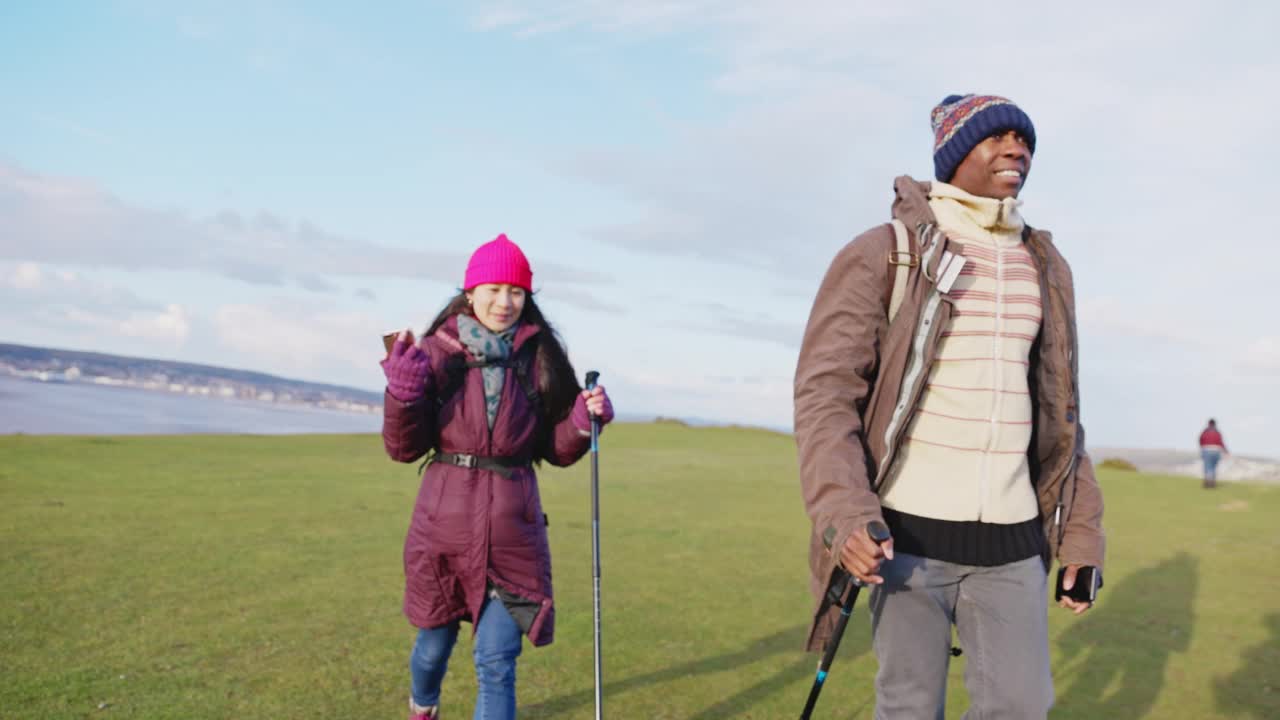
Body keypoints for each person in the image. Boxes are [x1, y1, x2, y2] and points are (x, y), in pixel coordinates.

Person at [794, 94, 1106, 718]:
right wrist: (845, 514)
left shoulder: (1044, 265)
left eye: (1024, 141)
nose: (1016, 149)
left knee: (1022, 707)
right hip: (905, 539)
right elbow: (825, 396)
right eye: (998, 138)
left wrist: (1082, 538)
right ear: (956, 152)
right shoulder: (885, 250)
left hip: (1014, 544)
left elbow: (1060, 415)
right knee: (910, 707)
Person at [380, 233, 614, 720]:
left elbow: (554, 448)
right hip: (442, 532)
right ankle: (423, 706)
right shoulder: (435, 353)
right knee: (431, 649)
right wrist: (402, 397)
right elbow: (403, 450)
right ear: (471, 292)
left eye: (516, 292)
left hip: (514, 537)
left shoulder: (541, 357)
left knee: (497, 663)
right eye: (494, 289)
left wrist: (581, 421)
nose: (505, 302)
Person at [1198, 418, 1228, 488]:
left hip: (1207, 450)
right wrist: (1225, 450)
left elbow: (1200, 440)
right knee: (1213, 467)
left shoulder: (1205, 432)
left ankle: (1208, 482)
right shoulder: (1217, 432)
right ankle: (1212, 482)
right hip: (1216, 450)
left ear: (1208, 424)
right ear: (1215, 424)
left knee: (1208, 467)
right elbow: (1221, 442)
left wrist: (1202, 448)